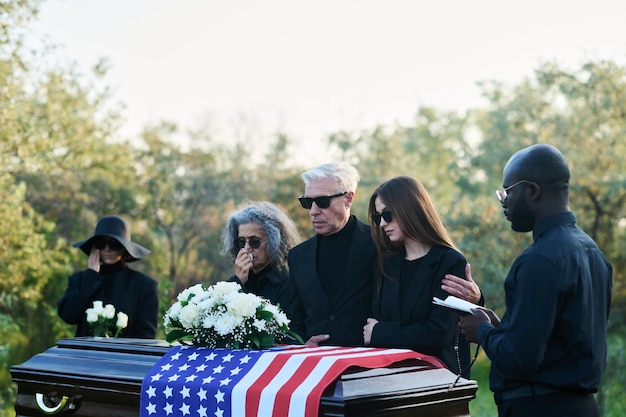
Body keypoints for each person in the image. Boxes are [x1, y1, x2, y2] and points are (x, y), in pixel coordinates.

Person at [459, 144, 612, 417]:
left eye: (507, 192)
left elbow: (520, 359)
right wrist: (500, 327)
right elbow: (561, 340)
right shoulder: (592, 252)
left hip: (540, 407)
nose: (503, 202)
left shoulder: (539, 260)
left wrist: (481, 330)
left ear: (532, 190)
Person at [363, 176, 473, 377]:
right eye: (378, 217)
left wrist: (381, 333)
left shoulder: (450, 262)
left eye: (387, 214)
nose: (382, 224)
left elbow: (438, 333)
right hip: (391, 379)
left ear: (409, 209)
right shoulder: (385, 264)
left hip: (437, 383)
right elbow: (376, 319)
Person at [287, 162, 376, 346]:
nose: (313, 211)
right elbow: (293, 319)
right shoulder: (298, 256)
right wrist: (302, 343)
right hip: (317, 365)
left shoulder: (380, 243)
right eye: (307, 202)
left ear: (348, 199)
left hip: (371, 363)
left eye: (322, 202)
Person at [58, 215, 159, 338]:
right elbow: (68, 316)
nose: (107, 249)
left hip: (124, 356)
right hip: (84, 355)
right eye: (101, 243)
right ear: (95, 247)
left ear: (124, 247)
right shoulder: (80, 279)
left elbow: (146, 335)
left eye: (114, 244)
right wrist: (91, 278)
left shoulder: (144, 285)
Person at [221, 201, 300, 310]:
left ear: (273, 242)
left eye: (254, 242)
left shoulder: (287, 285)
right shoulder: (241, 278)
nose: (247, 248)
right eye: (241, 242)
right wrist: (237, 281)